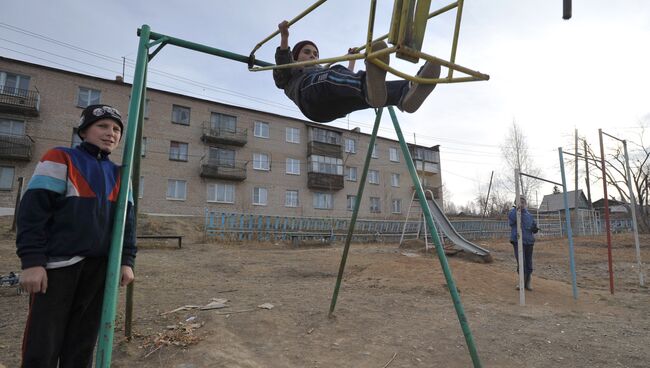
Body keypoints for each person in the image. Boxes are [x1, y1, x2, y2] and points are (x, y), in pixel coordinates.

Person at [16, 104, 137, 367]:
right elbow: (33, 213)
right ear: (83, 131)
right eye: (102, 126)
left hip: (99, 270)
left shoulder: (121, 173)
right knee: (44, 343)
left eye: (116, 129)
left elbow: (127, 223)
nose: (111, 133)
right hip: (57, 267)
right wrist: (33, 262)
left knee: (82, 345)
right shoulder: (60, 158)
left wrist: (127, 260)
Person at [273, 20, 441, 123]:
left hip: (331, 110)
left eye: (316, 54)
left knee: (363, 96)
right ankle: (368, 85)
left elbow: (344, 79)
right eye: (307, 52)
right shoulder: (290, 74)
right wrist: (284, 36)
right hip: (309, 97)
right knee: (335, 74)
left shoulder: (320, 70)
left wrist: (351, 60)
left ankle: (405, 92)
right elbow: (283, 61)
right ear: (295, 56)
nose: (312, 56)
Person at [508, 196, 539, 291]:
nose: (521, 204)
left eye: (523, 202)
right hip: (518, 241)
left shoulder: (529, 215)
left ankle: (528, 281)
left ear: (525, 204)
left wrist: (535, 228)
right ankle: (521, 281)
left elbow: (533, 226)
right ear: (515, 203)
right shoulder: (513, 213)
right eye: (519, 202)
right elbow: (512, 220)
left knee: (529, 262)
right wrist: (517, 209)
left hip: (529, 241)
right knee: (521, 262)